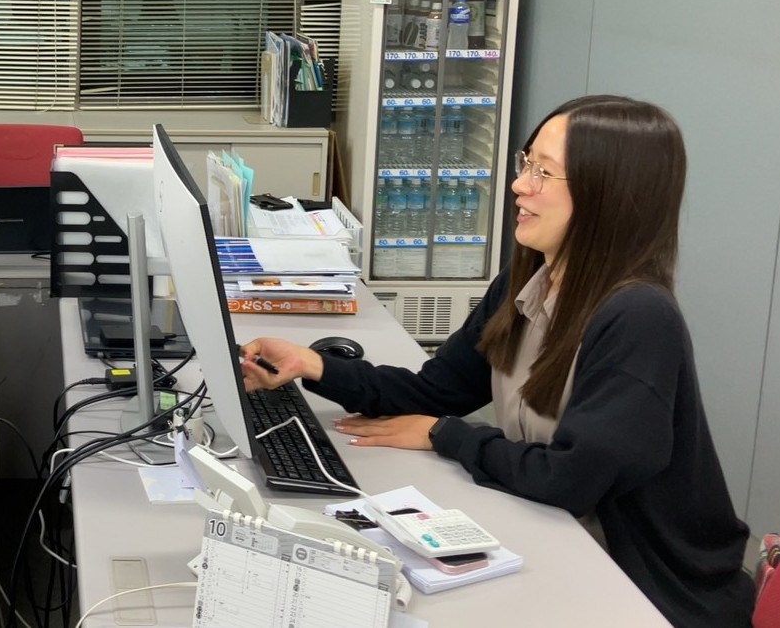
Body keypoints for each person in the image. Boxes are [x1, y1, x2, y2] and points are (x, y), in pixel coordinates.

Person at [239, 95, 755, 627]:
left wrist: (447, 435)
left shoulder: (638, 317)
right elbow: (437, 390)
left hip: (648, 594)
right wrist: (313, 366)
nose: (519, 185)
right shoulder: (531, 279)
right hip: (563, 543)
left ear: (608, 194)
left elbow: (571, 479)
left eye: (544, 172)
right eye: (526, 163)